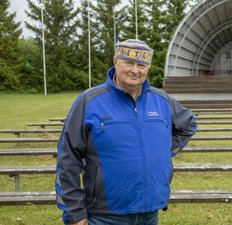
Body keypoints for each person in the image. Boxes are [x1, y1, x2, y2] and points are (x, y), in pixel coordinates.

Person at [55, 39, 197, 225]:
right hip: (104, 215)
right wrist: (74, 214)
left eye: (141, 65)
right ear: (115, 62)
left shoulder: (161, 100)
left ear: (148, 67)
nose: (135, 70)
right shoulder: (89, 101)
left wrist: (160, 151)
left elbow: (188, 125)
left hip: (149, 213)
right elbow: (68, 159)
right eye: (129, 63)